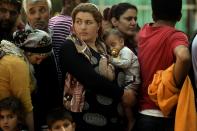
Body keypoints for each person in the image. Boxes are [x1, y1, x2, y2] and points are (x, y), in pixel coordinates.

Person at [59, 3, 134, 131]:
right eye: (78, 22)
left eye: (88, 22)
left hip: (113, 119)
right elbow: (90, 78)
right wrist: (122, 94)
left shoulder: (103, 46)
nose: (83, 27)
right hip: (85, 120)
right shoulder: (70, 46)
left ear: (98, 25)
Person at [136, 0, 191, 131]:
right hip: (164, 116)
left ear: (153, 15)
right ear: (180, 16)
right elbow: (184, 57)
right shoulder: (176, 35)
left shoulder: (144, 31)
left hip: (142, 114)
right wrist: (174, 85)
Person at [0, 28, 52, 131]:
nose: (38, 63)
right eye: (38, 58)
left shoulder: (6, 50)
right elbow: (26, 106)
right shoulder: (18, 64)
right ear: (29, 52)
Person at [22, 0, 62, 130]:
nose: (38, 16)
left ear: (49, 13)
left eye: (42, 10)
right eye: (32, 11)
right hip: (35, 116)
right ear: (26, 15)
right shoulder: (21, 43)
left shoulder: (55, 35)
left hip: (57, 114)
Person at [103, 28, 140, 131]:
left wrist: (111, 60)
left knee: (126, 101)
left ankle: (131, 120)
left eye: (113, 45)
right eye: (108, 47)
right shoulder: (119, 51)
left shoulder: (125, 51)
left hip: (132, 80)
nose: (111, 49)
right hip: (129, 80)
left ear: (122, 41)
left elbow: (126, 63)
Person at [49, 0, 89, 86]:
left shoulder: (51, 21)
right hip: (68, 83)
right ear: (68, 2)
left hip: (54, 81)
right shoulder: (72, 24)